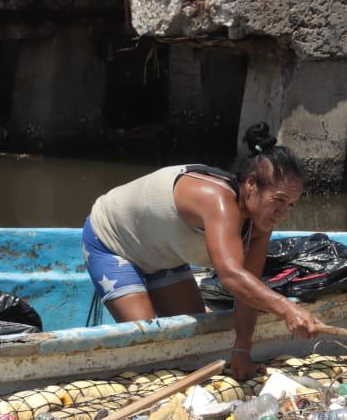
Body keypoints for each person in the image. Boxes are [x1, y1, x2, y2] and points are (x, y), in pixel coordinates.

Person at [82, 123, 319, 381]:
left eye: (291, 205)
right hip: (112, 244)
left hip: (164, 256)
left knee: (196, 342)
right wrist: (286, 308)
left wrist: (242, 350)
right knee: (149, 348)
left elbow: (246, 288)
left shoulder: (261, 222)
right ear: (250, 185)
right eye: (279, 200)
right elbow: (230, 276)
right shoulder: (216, 200)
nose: (283, 213)